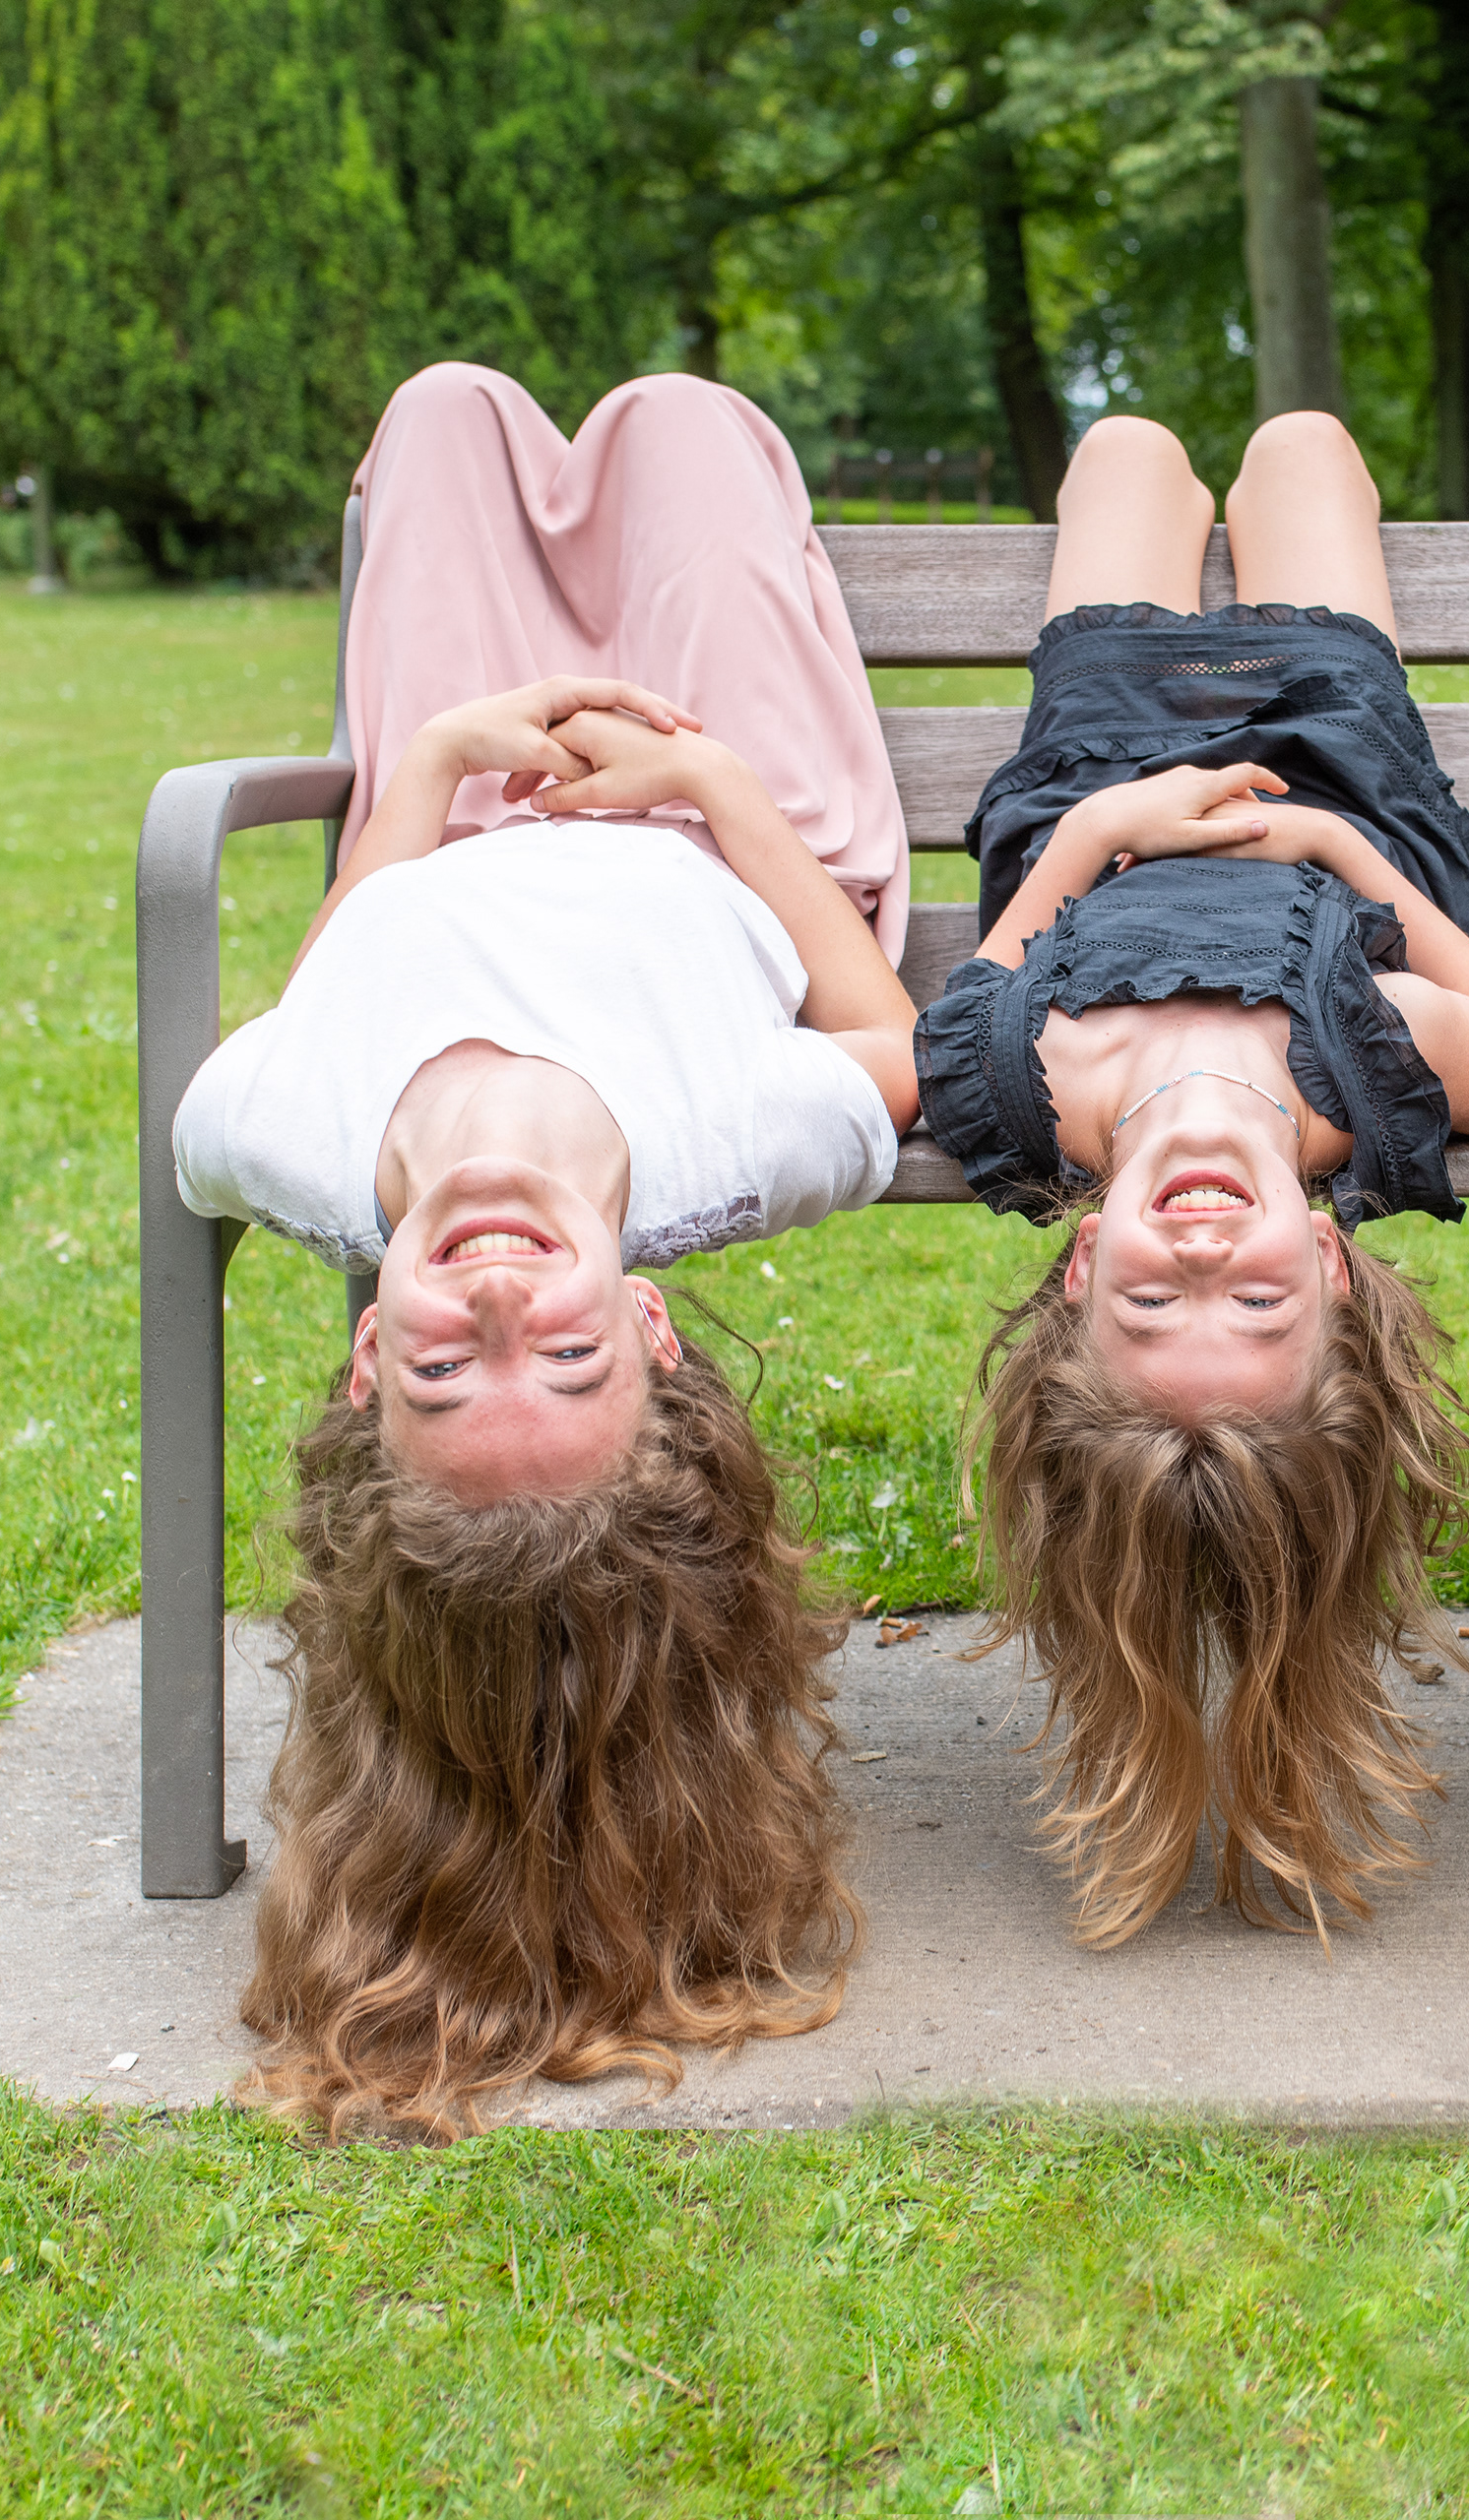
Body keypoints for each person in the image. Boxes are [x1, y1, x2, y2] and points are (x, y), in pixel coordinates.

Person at [171, 362, 922, 2136]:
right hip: (729, 812)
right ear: (650, 1325)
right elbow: (886, 1035)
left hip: (456, 796)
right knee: (676, 420)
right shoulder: (729, 1145)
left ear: (369, 1357)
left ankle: (460, 666)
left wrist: (434, 762)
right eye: (564, 1353)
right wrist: (712, 782)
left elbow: (341, 971)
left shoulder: (263, 1134)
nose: (501, 1292)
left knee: (443, 413)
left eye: (447, 1361)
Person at [912, 410, 1469, 1948]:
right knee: (1305, 449)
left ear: (1079, 1272)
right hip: (1335, 767)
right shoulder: (1372, 1080)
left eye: (1150, 1303)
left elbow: (969, 994)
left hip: (1096, 762)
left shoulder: (1026, 1094)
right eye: (1253, 1304)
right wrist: (1333, 847)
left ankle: (1149, 497)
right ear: (1328, 1265)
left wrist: (1094, 835)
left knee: (1125, 453)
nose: (1199, 1258)